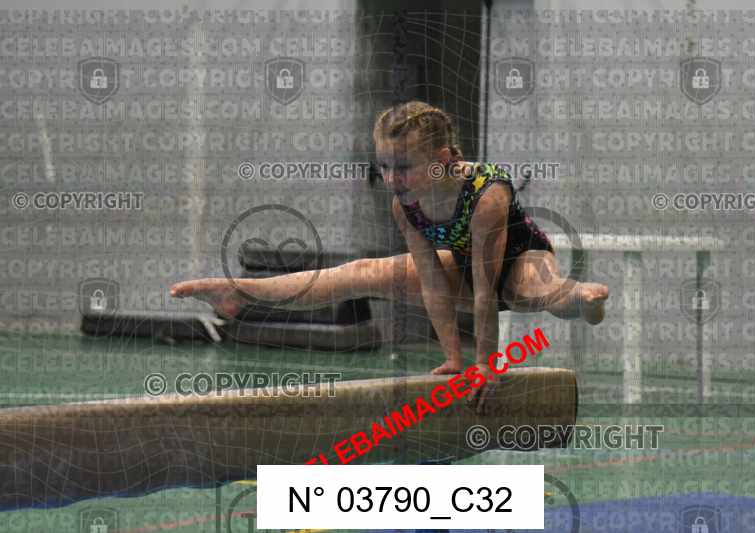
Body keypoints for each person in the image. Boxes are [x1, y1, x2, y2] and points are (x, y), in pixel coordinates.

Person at [170, 101, 608, 404]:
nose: (392, 178)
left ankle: (584, 299)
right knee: (363, 271)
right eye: (384, 166)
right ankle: (242, 291)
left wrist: (485, 366)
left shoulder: (486, 194)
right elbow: (433, 285)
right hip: (460, 265)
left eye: (403, 167)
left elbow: (485, 293)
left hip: (521, 258)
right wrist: (453, 359)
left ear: (441, 159)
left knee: (536, 289)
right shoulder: (406, 205)